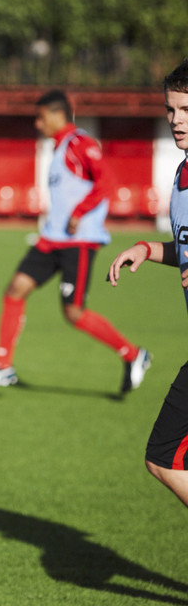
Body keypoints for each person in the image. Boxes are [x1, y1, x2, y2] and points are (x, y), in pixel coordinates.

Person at [0, 89, 150, 394]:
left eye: (40, 118)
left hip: (78, 242)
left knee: (73, 312)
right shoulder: (59, 148)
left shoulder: (79, 143)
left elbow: (106, 181)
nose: (37, 125)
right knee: (15, 290)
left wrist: (79, 212)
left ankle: (134, 355)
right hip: (52, 239)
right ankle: (3, 367)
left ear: (57, 114)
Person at [106, 58, 188, 509]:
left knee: (165, 457)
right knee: (164, 458)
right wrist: (149, 249)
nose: (176, 120)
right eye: (171, 109)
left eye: (187, 110)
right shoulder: (181, 175)